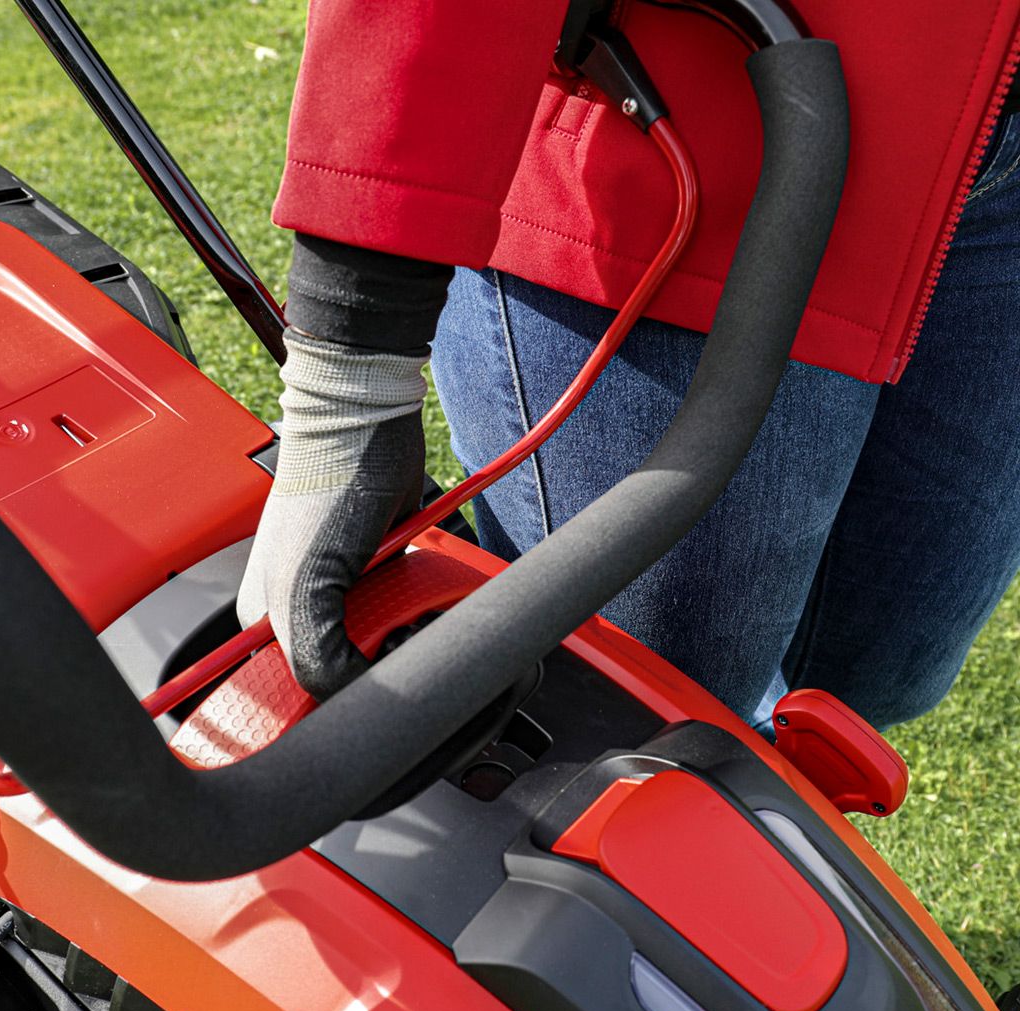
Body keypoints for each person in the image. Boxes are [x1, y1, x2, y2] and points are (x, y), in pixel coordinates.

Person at [238, 0, 1020, 731]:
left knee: (873, 679)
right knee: (642, 707)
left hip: (994, 153)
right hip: (686, 153)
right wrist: (349, 378)